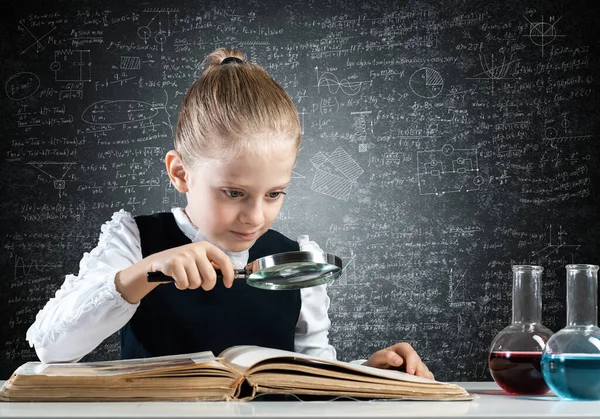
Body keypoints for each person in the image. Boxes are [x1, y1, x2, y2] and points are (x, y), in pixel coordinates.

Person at [26, 48, 433, 379]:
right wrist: (146, 272)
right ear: (180, 173)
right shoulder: (135, 241)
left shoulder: (295, 261)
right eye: (234, 192)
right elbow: (52, 348)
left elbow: (313, 374)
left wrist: (371, 373)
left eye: (275, 194)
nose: (254, 217)